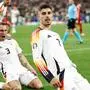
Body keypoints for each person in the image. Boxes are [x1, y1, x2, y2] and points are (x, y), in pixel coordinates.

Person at [31, 3, 90, 90]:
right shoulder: (37, 34)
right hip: (62, 75)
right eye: (43, 13)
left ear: (52, 15)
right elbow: (37, 59)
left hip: (73, 71)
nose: (47, 16)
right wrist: (50, 77)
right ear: (38, 16)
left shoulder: (56, 34)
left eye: (49, 13)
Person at [0, 22, 43, 90]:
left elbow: (21, 56)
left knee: (38, 85)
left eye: (5, 30)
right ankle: (1, 85)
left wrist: (30, 68)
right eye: (1, 31)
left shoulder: (13, 41)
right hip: (8, 71)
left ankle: (19, 81)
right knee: (16, 88)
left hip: (20, 69)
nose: (3, 32)